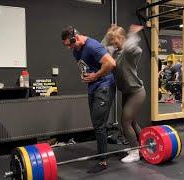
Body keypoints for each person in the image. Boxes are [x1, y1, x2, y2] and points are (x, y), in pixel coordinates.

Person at [61, 26, 116, 173]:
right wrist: (85, 75)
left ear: (76, 37)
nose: (69, 48)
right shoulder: (76, 50)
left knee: (99, 124)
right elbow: (85, 66)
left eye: (70, 44)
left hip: (104, 85)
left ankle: (103, 161)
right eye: (67, 45)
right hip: (93, 86)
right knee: (96, 123)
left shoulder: (92, 46)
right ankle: (101, 154)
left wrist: (96, 76)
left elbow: (111, 63)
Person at [102, 24, 146, 163]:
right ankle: (144, 145)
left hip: (136, 92)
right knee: (131, 122)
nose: (113, 42)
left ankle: (134, 153)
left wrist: (132, 35)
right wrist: (108, 34)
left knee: (125, 122)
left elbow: (137, 50)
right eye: (112, 40)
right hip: (127, 92)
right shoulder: (114, 52)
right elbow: (102, 49)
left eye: (116, 39)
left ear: (122, 38)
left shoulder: (128, 52)